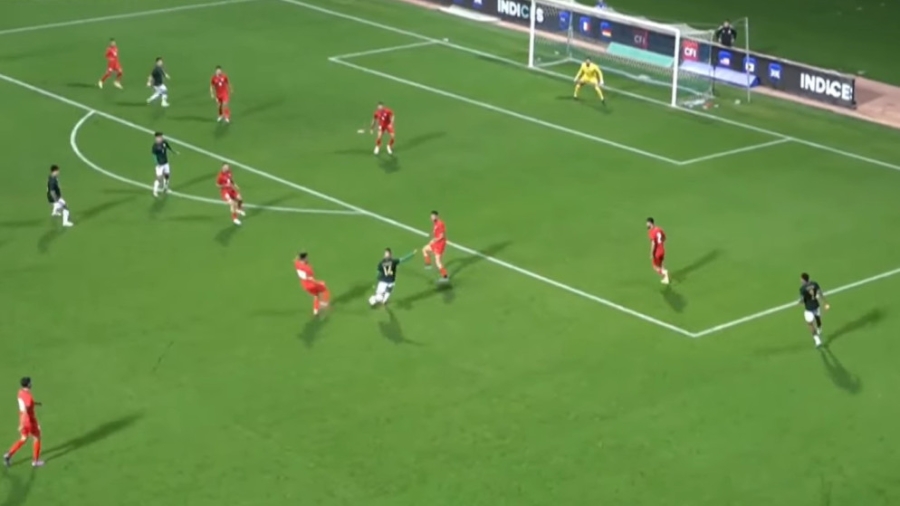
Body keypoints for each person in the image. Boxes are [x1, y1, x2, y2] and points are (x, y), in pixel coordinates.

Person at [3, 377, 44, 468]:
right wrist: (22, 424)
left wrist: (35, 403)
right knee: (37, 437)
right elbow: (26, 409)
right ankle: (35, 461)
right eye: (31, 382)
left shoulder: (20, 392)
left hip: (22, 417)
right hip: (29, 420)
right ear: (28, 384)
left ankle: (8, 455)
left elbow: (25, 404)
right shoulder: (28, 396)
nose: (32, 384)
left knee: (23, 438)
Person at [799, 273, 829, 348]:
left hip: (809, 309)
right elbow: (820, 293)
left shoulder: (802, 288)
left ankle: (817, 340)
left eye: (801, 279)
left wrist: (800, 302)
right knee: (817, 318)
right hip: (816, 305)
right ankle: (819, 328)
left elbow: (802, 300)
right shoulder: (815, 284)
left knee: (810, 324)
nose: (800, 280)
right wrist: (825, 302)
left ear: (804, 279)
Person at [422, 211, 449, 282]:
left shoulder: (440, 224)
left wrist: (434, 240)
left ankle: (445, 276)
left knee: (437, 261)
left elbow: (442, 236)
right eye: (431, 216)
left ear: (437, 216)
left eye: (433, 216)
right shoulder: (435, 223)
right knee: (424, 249)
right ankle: (428, 264)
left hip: (440, 244)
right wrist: (433, 238)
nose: (432, 218)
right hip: (436, 243)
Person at [151, 132, 176, 198]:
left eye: (161, 137)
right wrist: (157, 163)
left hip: (166, 163)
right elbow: (154, 155)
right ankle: (155, 191)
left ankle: (165, 189)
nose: (161, 138)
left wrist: (173, 152)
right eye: (160, 137)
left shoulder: (164, 142)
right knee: (159, 178)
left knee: (167, 176)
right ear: (156, 138)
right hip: (160, 164)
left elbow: (168, 147)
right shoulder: (155, 146)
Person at [646, 217, 669, 284]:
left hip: (657, 252)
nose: (646, 225)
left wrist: (651, 253)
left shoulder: (651, 232)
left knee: (655, 266)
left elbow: (653, 243)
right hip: (662, 250)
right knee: (661, 264)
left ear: (650, 223)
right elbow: (664, 238)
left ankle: (665, 273)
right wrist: (660, 244)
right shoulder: (659, 229)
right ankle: (666, 279)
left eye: (647, 223)